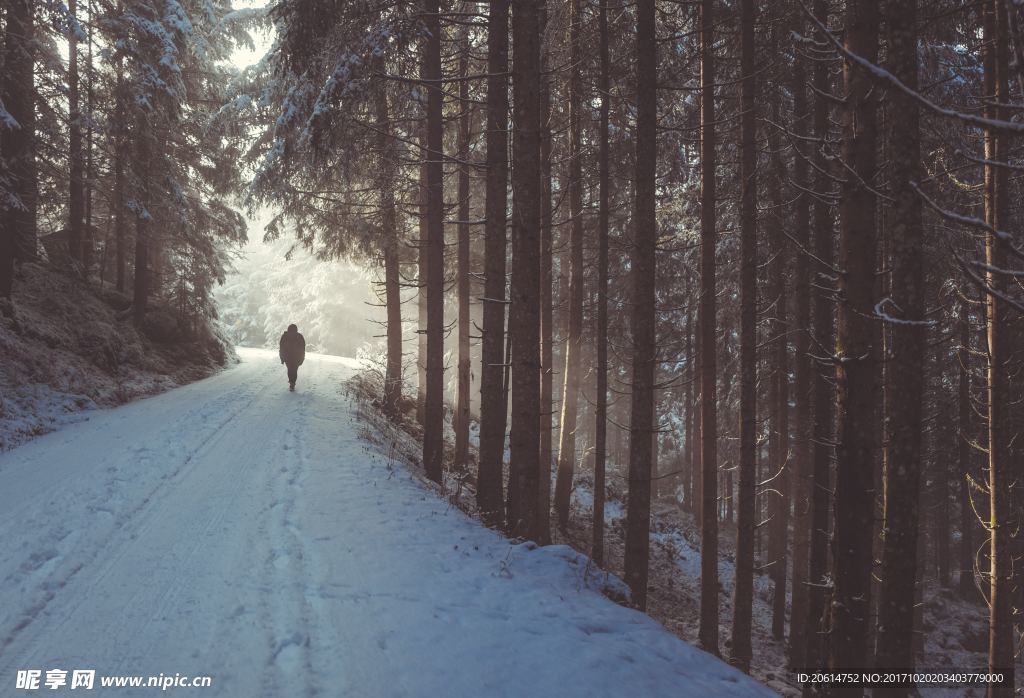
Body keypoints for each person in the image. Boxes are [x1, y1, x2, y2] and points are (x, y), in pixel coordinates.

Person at [279, 324, 306, 391]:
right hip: (297, 357)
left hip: (287, 357)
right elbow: (303, 348)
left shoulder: (284, 336)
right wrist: (302, 358)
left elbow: (281, 348)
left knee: (290, 369)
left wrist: (282, 358)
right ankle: (292, 383)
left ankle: (291, 382)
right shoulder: (300, 336)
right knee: (294, 370)